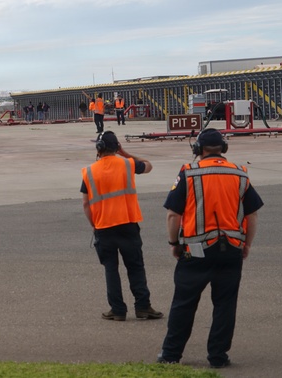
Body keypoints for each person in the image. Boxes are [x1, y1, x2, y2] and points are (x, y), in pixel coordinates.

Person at [158, 128, 263, 369]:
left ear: (198, 150)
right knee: (225, 305)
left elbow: (173, 215)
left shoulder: (189, 173)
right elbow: (252, 214)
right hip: (231, 250)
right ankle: (218, 356)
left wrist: (174, 244)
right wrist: (246, 245)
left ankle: (171, 355)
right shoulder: (240, 173)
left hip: (195, 251)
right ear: (223, 149)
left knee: (184, 303)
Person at [81, 131, 163, 322]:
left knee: (111, 269)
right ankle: (143, 307)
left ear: (98, 148)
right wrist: (125, 154)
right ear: (116, 147)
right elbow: (149, 166)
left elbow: (85, 203)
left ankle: (117, 310)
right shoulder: (128, 164)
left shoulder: (89, 171)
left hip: (103, 226)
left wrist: (94, 224)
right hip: (128, 224)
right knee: (135, 267)